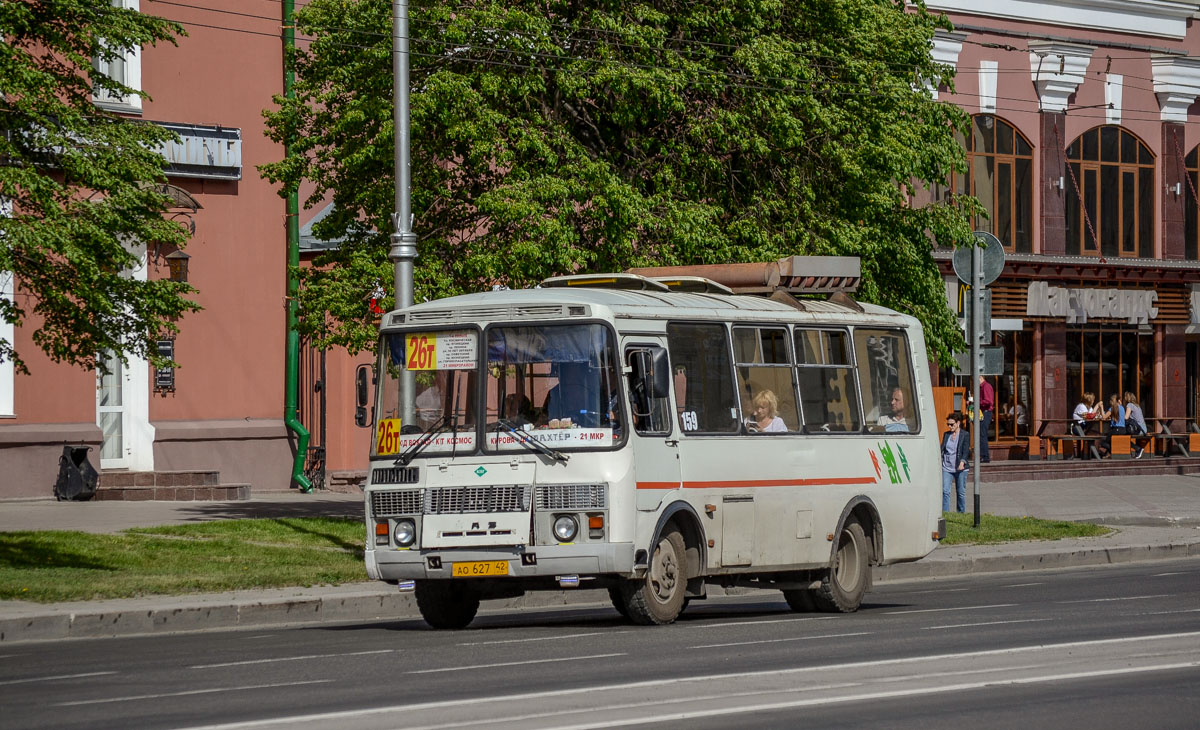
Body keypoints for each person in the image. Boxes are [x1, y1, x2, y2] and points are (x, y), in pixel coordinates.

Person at [941, 412, 970, 513]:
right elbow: (942, 449)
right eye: (948, 424)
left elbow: (966, 450)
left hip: (960, 468)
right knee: (945, 491)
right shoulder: (946, 435)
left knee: (960, 492)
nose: (950, 426)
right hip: (947, 468)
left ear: (958, 423)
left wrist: (962, 462)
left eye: (952, 424)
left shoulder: (965, 435)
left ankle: (961, 513)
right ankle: (945, 513)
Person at [1097, 393, 1126, 458]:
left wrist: (1101, 407)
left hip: (1116, 430)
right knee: (1109, 441)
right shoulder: (1122, 408)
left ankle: (1112, 451)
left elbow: (1104, 417)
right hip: (1123, 430)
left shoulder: (1112, 408)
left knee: (1103, 443)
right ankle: (1109, 453)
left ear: (1112, 401)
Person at [1123, 391, 1148, 459]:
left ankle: (1138, 449)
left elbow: (1126, 417)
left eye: (1125, 397)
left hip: (1138, 430)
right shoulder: (1137, 405)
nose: (1124, 398)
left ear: (1127, 398)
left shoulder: (1129, 405)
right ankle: (1137, 450)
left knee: (1122, 437)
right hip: (1143, 429)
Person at [977, 375, 994, 462]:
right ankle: (983, 455)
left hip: (986, 412)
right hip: (984, 412)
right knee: (981, 434)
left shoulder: (986, 386)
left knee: (982, 434)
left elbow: (988, 401)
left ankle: (985, 456)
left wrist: (977, 401)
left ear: (980, 377)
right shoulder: (982, 387)